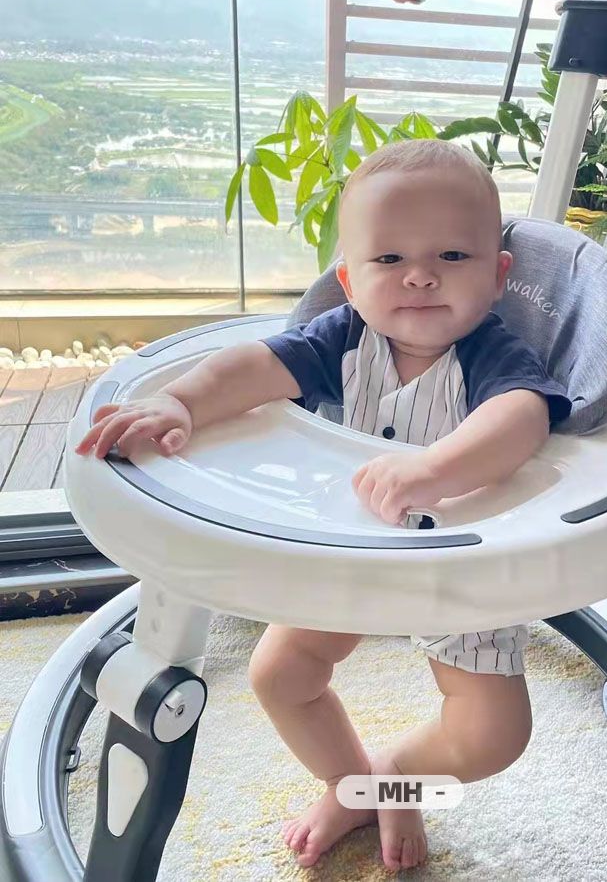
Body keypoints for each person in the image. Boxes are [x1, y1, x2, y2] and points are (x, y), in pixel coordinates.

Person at [74, 139, 571, 872]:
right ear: (349, 280)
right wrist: (181, 402)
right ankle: (351, 784)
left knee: (495, 735)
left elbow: (522, 418)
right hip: (349, 552)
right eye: (389, 258)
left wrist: (434, 468)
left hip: (459, 572)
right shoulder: (342, 338)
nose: (421, 275)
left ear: (498, 277)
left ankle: (396, 776)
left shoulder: (493, 355)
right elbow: (258, 366)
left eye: (453, 256)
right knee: (279, 674)